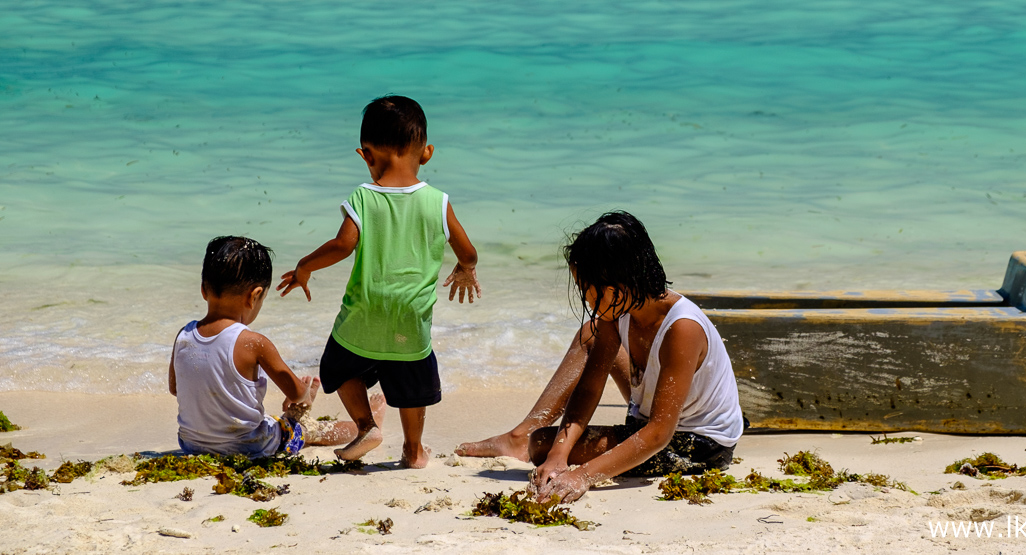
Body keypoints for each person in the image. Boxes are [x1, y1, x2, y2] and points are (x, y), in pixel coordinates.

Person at [457, 211, 742, 504]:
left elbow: (658, 433)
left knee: (541, 443)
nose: (587, 299)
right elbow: (590, 387)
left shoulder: (682, 328)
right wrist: (559, 455)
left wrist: (583, 475)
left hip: (698, 443)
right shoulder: (619, 309)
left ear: (612, 286)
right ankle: (520, 437)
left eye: (585, 289)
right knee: (588, 336)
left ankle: (528, 442)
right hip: (648, 420)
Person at [278, 95, 481, 468]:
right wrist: (465, 269)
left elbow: (343, 245)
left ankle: (365, 425)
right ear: (427, 153)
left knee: (338, 367)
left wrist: (305, 267)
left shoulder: (363, 197)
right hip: (411, 317)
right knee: (411, 386)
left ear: (366, 155)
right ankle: (414, 451)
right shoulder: (437, 201)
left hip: (365, 312)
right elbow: (468, 251)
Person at [169, 236, 372, 457]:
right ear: (254, 296)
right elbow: (294, 392)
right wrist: (305, 393)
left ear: (203, 290)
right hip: (250, 446)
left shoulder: (184, 335)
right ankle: (366, 428)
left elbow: (175, 388)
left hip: (191, 444)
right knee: (311, 430)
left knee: (272, 421)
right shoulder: (254, 343)